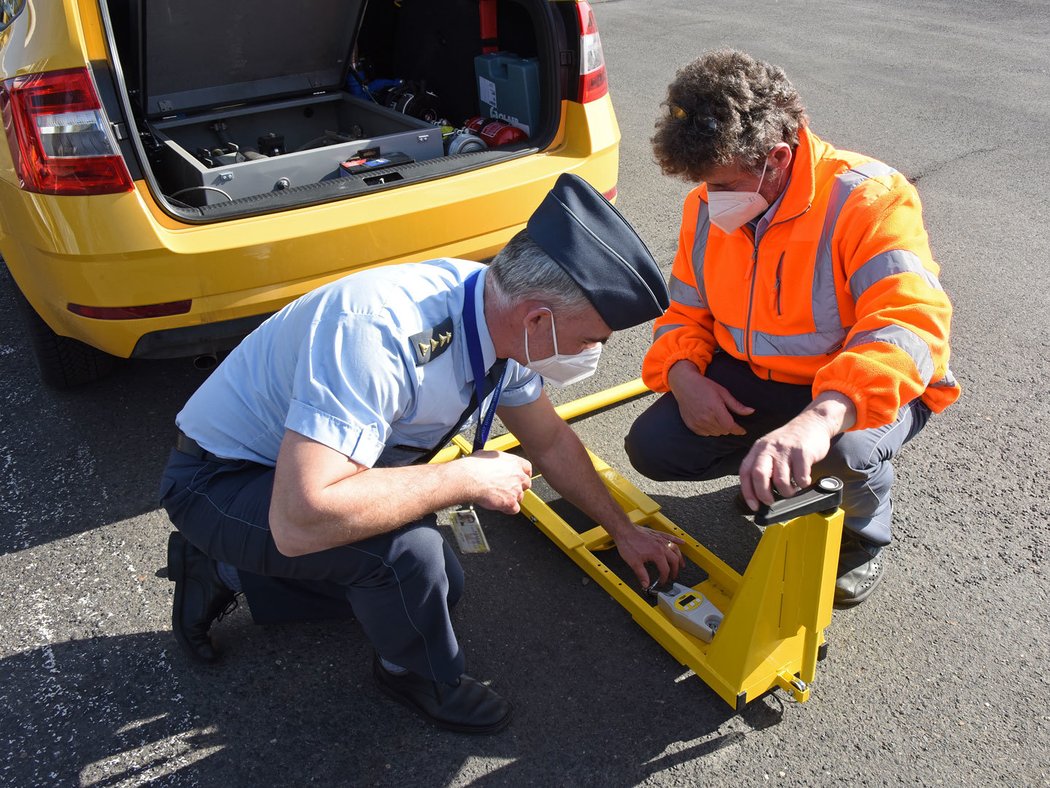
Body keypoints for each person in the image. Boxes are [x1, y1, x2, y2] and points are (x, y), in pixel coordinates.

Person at [159, 173, 681, 735]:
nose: (590, 354)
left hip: (302, 469)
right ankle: (413, 673)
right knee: (409, 559)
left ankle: (224, 570)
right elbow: (300, 518)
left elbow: (549, 438)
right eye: (591, 339)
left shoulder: (492, 309)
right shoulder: (379, 333)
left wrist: (622, 530)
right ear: (537, 318)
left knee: (425, 580)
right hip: (221, 480)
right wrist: (462, 480)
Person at [625, 50, 960, 609]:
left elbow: (908, 321)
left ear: (777, 157)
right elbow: (683, 312)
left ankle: (861, 540)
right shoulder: (707, 207)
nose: (713, 200)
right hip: (758, 376)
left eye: (724, 183)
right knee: (653, 447)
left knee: (842, 452)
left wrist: (820, 420)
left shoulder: (868, 199)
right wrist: (684, 377)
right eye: (705, 185)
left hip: (857, 389)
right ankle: (777, 478)